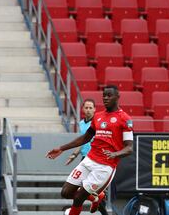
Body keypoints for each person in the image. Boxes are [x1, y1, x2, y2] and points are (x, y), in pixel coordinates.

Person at [46, 85, 134, 215]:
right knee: (66, 192)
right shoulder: (97, 117)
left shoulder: (124, 119)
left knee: (78, 198)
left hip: (105, 166)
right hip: (89, 160)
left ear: (117, 97)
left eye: (109, 95)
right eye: (104, 95)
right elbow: (85, 138)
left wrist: (115, 154)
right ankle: (96, 197)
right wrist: (61, 148)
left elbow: (129, 148)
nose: (105, 98)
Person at [65, 99, 109, 215]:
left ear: (95, 109)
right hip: (85, 159)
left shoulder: (98, 123)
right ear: (83, 109)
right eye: (86, 108)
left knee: (95, 190)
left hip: (98, 161)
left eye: (91, 108)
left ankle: (100, 202)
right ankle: (97, 198)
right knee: (79, 189)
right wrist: (74, 154)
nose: (88, 110)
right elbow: (82, 141)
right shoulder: (81, 123)